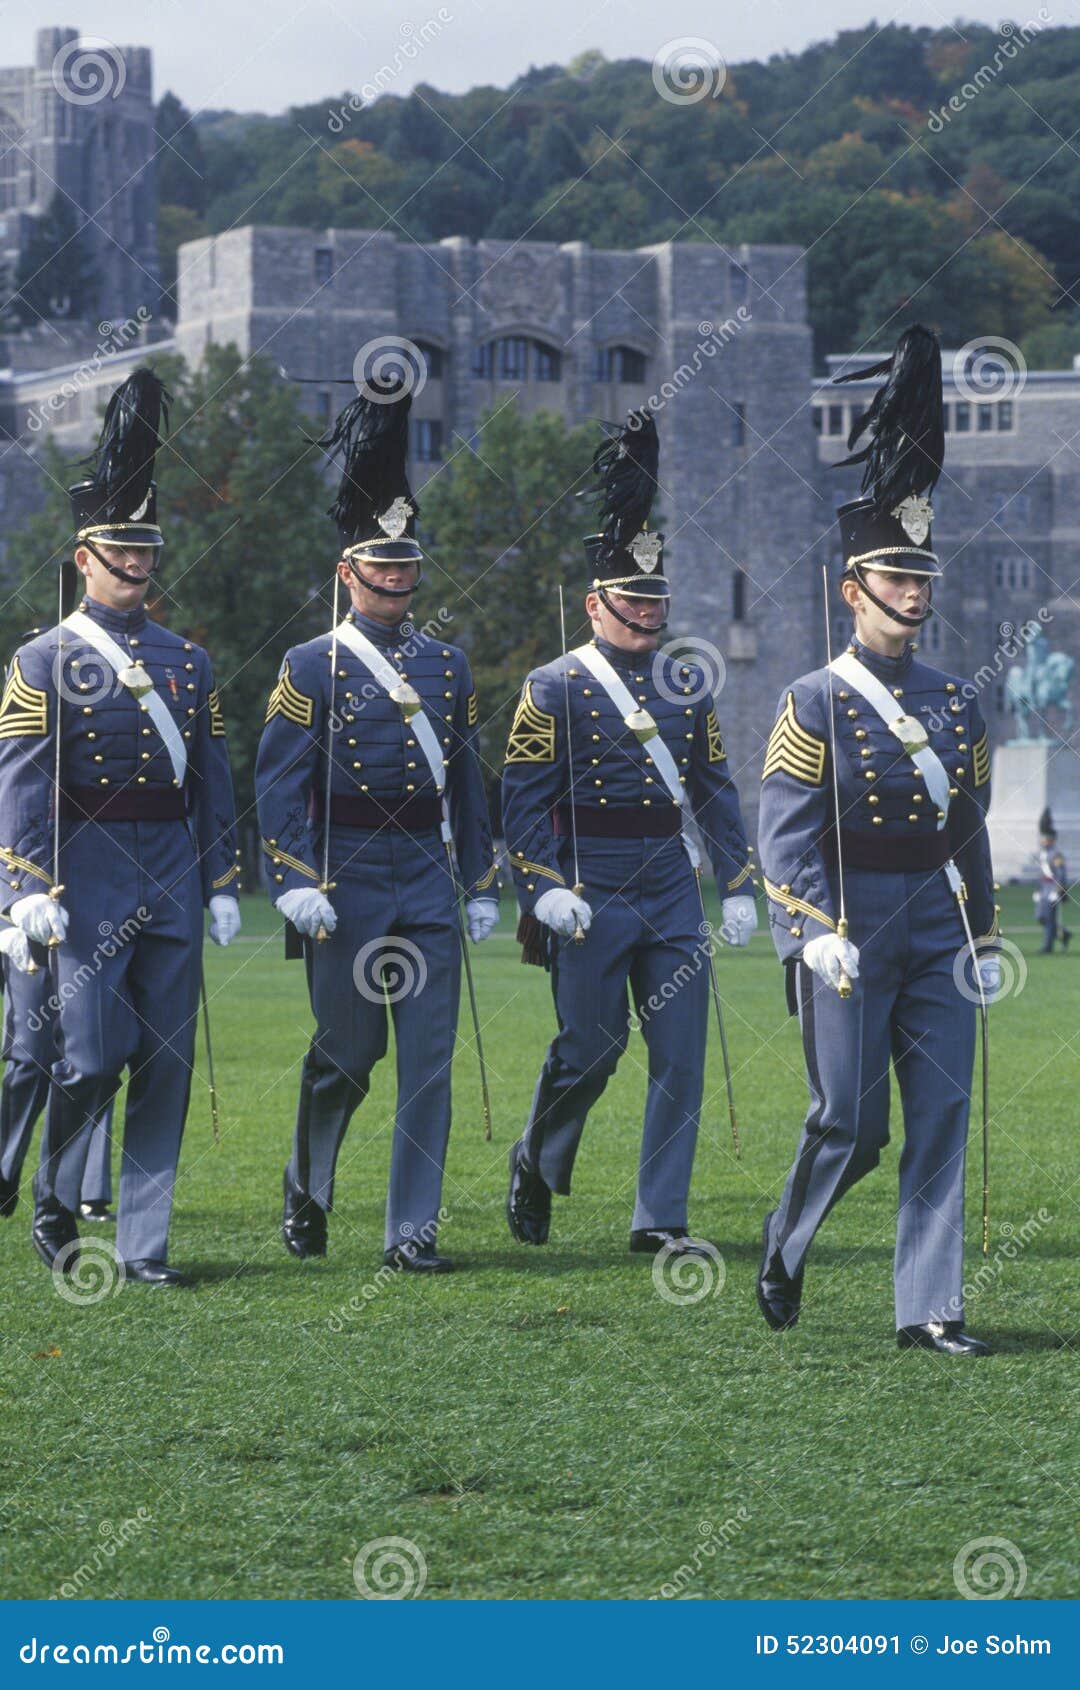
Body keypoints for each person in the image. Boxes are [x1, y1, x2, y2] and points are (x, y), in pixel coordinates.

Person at [756, 325, 1001, 1356]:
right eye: (893, 577)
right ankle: (785, 1241)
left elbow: (971, 830)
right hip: (849, 926)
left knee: (939, 1122)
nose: (914, 589)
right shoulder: (812, 698)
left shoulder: (956, 704)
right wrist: (809, 928)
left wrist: (982, 933)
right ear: (854, 589)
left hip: (934, 930)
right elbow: (784, 828)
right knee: (852, 1124)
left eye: (921, 574)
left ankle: (928, 1307)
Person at [0, 368, 241, 1286]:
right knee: (92, 1055)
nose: (137, 564)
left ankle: (144, 1245)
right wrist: (24, 890)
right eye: (120, 550)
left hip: (170, 869)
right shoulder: (43, 658)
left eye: (147, 549)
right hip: (82, 875)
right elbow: (19, 783)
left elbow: (211, 784)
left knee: (167, 1064)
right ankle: (58, 1196)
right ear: (85, 555)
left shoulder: (188, 662)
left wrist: (220, 883)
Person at [255, 380, 499, 1273]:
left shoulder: (447, 664)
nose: (396, 580)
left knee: (429, 1059)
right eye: (379, 567)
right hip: (345, 873)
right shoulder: (309, 665)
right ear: (346, 573)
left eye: (406, 566)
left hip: (425, 872)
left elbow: (468, 785)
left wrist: (477, 881)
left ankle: (412, 1231)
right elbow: (276, 781)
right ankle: (308, 1183)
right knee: (347, 1053)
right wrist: (291, 874)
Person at [502, 410, 756, 1255]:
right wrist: (543, 888)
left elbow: (714, 790)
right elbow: (523, 802)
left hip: (667, 879)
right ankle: (534, 1158)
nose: (648, 613)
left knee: (681, 1054)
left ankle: (659, 1219)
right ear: (595, 602)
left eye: (657, 598)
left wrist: (740, 880)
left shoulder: (686, 683)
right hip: (587, 879)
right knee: (593, 1047)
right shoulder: (554, 686)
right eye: (632, 599)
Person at [1035, 808, 1070, 953]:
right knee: (1040, 916)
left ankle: (1047, 947)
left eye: (1046, 838)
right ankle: (1063, 934)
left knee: (1049, 919)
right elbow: (1041, 873)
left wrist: (1058, 890)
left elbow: (1061, 874)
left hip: (1052, 889)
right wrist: (1038, 890)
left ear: (1052, 840)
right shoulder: (1042, 854)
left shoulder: (1056, 854)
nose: (1044, 840)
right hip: (1044, 888)